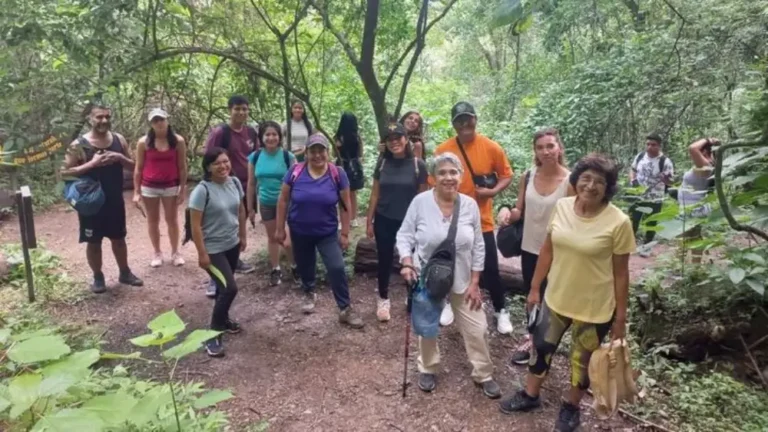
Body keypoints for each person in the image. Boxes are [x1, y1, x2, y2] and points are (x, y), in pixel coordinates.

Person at [498, 154, 634, 432]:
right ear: (576, 180)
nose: (591, 186)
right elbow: (547, 249)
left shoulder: (619, 222)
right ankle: (530, 395)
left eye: (600, 181)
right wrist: (535, 288)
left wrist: (620, 318)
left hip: (595, 306)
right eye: (586, 178)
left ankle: (571, 407)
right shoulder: (562, 207)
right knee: (541, 347)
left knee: (582, 362)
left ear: (608, 188)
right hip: (556, 297)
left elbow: (621, 273)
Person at [397, 152, 502, 398]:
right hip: (426, 276)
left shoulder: (469, 205)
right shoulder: (420, 202)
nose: (448, 177)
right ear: (433, 177)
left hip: (464, 279)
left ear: (461, 176)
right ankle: (428, 366)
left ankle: (483, 372)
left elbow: (478, 244)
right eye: (442, 172)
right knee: (427, 325)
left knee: (478, 328)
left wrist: (476, 282)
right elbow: (405, 235)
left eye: (453, 172)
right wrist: (407, 262)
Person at [432, 101, 514, 335]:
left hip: (482, 219)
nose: (465, 124)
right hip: (451, 218)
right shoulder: (443, 151)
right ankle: (449, 303)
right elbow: (433, 183)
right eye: (459, 121)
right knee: (449, 262)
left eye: (468, 119)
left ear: (475, 119)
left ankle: (501, 310)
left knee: (489, 267)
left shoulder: (491, 147)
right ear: (454, 124)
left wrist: (492, 192)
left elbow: (506, 175)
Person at [497, 128, 575, 365]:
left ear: (559, 148)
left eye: (550, 146)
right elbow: (520, 209)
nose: (546, 151)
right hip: (530, 247)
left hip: (558, 250)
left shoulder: (570, 181)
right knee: (533, 294)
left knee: (553, 296)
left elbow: (574, 217)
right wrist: (507, 211)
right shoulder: (528, 176)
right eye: (540, 147)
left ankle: (547, 341)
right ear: (535, 151)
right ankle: (532, 339)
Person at [274, 134, 364, 329]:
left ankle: (345, 308)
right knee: (306, 265)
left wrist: (345, 232)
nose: (317, 155)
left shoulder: (337, 173)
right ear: (306, 153)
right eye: (312, 151)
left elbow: (345, 204)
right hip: (299, 230)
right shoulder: (296, 171)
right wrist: (280, 229)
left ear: (327, 152)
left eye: (320, 150)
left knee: (337, 267)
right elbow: (282, 200)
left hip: (327, 232)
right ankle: (308, 291)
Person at [60, 103, 143, 293]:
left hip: (115, 200)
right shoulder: (78, 145)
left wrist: (120, 159)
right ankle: (98, 277)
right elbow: (64, 173)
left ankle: (125, 272)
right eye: (99, 117)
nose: (104, 120)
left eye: (107, 116)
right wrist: (92, 164)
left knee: (119, 238)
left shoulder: (118, 140)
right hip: (90, 202)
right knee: (94, 241)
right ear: (90, 119)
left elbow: (135, 167)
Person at [365, 122, 428, 322]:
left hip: (410, 222)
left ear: (406, 139)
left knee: (412, 260)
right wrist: (369, 221)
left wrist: (423, 224)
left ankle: (412, 296)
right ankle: (383, 298)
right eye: (389, 140)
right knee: (383, 259)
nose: (394, 143)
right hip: (384, 218)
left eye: (398, 138)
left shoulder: (419, 165)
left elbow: (423, 196)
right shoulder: (382, 163)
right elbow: (375, 194)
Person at [189, 148, 247, 357]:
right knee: (230, 288)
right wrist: (202, 254)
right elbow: (195, 226)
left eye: (225, 162)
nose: (223, 166)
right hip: (213, 250)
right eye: (217, 163)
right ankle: (212, 334)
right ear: (208, 167)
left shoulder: (235, 183)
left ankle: (224, 319)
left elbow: (240, 209)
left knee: (224, 289)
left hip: (231, 244)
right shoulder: (202, 191)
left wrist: (243, 235)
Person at [203, 95, 257, 296]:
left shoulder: (251, 132)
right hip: (224, 185)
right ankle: (214, 277)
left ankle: (233, 262)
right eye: (237, 109)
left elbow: (256, 157)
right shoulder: (221, 133)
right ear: (229, 110)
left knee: (236, 222)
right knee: (219, 225)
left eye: (244, 109)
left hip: (245, 185)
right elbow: (210, 157)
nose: (241, 113)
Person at [132, 108, 187, 268]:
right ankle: (157, 252)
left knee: (172, 219)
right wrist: (136, 191)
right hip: (149, 186)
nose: (159, 123)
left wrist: (182, 189)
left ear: (167, 120)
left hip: (170, 185)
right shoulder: (144, 142)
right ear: (151, 124)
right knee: (153, 220)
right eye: (155, 121)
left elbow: (182, 167)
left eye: (161, 119)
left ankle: (176, 252)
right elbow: (138, 168)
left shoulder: (178, 141)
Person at [247, 121, 297, 286]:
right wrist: (250, 207)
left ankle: (294, 266)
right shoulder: (255, 157)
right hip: (266, 203)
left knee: (287, 239)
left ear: (280, 137)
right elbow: (251, 183)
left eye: (274, 134)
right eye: (267, 134)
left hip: (287, 203)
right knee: (272, 238)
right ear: (261, 137)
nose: (271, 138)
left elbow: (298, 182)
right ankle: (275, 269)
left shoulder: (287, 157)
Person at [629, 132, 674, 257]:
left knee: (651, 223)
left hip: (655, 198)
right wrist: (633, 181)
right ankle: (629, 246)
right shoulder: (640, 156)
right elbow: (633, 170)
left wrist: (665, 179)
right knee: (633, 220)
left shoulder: (665, 161)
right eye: (648, 144)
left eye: (653, 145)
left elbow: (670, 181)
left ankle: (646, 248)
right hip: (638, 195)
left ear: (659, 146)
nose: (649, 147)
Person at [678, 137, 717, 264]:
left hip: (693, 210)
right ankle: (693, 267)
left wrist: (709, 139)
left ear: (704, 152)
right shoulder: (704, 165)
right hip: (691, 208)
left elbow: (692, 148)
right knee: (693, 239)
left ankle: (690, 268)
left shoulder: (706, 165)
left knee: (687, 240)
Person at [333, 112, 365, 226]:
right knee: (353, 193)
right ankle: (353, 218)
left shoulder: (337, 137)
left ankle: (342, 220)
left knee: (342, 193)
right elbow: (361, 153)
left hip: (341, 166)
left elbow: (334, 153)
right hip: (354, 166)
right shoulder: (357, 136)